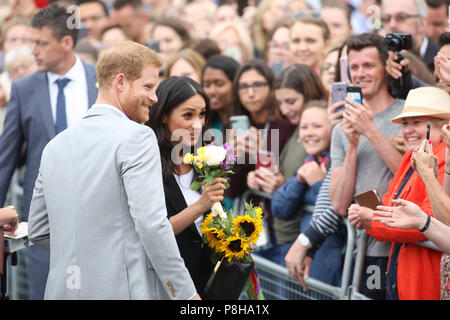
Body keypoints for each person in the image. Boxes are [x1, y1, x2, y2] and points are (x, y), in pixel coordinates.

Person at [28, 41, 199, 300]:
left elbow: (39, 229)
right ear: (121, 82)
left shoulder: (55, 146)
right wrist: (186, 294)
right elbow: (152, 225)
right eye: (148, 86)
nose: (155, 97)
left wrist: (93, 255)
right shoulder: (138, 137)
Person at [0, 5, 98, 300]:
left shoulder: (101, 81)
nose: (33, 51)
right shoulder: (24, 89)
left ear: (66, 43)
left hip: (99, 217)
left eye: (41, 43)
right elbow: (5, 160)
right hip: (43, 225)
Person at [348, 86, 450, 300]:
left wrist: (372, 220)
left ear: (444, 126)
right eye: (405, 123)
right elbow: (390, 201)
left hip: (424, 276)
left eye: (417, 122)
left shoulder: (441, 158)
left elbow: (431, 222)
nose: (408, 130)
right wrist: (368, 214)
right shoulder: (410, 156)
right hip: (400, 270)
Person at [329, 32, 405, 300]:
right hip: (365, 251)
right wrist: (352, 145)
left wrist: (370, 130)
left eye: (368, 65)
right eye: (354, 67)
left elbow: (412, 176)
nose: (360, 73)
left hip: (406, 247)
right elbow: (338, 204)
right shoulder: (341, 129)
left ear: (386, 67)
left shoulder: (407, 115)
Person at [146, 76, 226, 298]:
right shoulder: (147, 163)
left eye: (202, 115)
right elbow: (155, 232)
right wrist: (201, 205)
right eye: (188, 115)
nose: (197, 124)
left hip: (208, 283)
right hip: (167, 286)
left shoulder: (205, 158)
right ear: (163, 115)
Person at [381, 0, 439, 72]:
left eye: (401, 17)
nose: (392, 25)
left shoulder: (441, 59)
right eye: (386, 19)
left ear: (422, 23)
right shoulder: (381, 60)